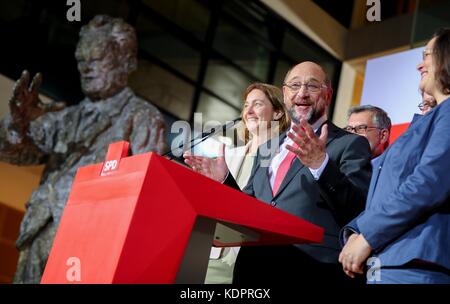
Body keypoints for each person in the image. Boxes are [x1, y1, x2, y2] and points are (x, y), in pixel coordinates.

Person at [0, 15, 166, 283]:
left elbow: (146, 194)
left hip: (91, 239)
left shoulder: (142, 117)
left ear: (126, 62)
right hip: (38, 230)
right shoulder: (67, 114)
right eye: (81, 60)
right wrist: (19, 126)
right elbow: (21, 153)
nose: (86, 68)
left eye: (97, 58)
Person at [185, 61, 372, 284]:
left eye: (312, 86)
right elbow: (249, 207)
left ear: (328, 95)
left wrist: (320, 165)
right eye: (294, 85)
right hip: (254, 268)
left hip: (311, 269)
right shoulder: (267, 148)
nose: (302, 93)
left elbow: (358, 208)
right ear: (285, 94)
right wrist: (225, 181)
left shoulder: (350, 144)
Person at [339, 28, 450, 284]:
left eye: (428, 55)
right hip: (391, 260)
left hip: (415, 263)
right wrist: (356, 232)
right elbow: (390, 191)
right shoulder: (431, 120)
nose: (420, 64)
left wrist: (367, 235)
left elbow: (428, 183)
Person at [205, 82, 290, 284]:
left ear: (278, 113)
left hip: (247, 261)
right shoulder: (226, 156)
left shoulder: (283, 160)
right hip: (210, 253)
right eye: (246, 105)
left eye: (258, 104)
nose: (249, 111)